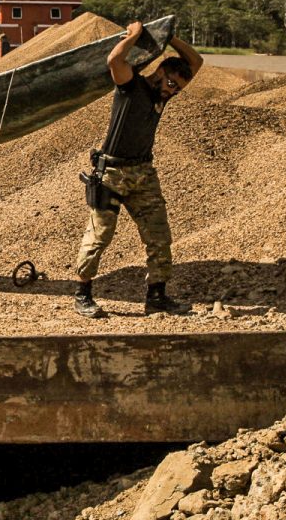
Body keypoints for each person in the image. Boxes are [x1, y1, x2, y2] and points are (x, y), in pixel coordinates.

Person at [73, 21, 203, 318]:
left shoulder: (161, 97)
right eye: (171, 83)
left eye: (178, 88)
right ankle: (83, 294)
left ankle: (156, 296)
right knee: (99, 236)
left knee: (159, 235)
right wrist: (133, 36)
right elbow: (114, 60)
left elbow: (196, 62)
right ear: (160, 72)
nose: (173, 91)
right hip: (111, 174)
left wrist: (171, 37)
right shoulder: (131, 86)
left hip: (143, 174)